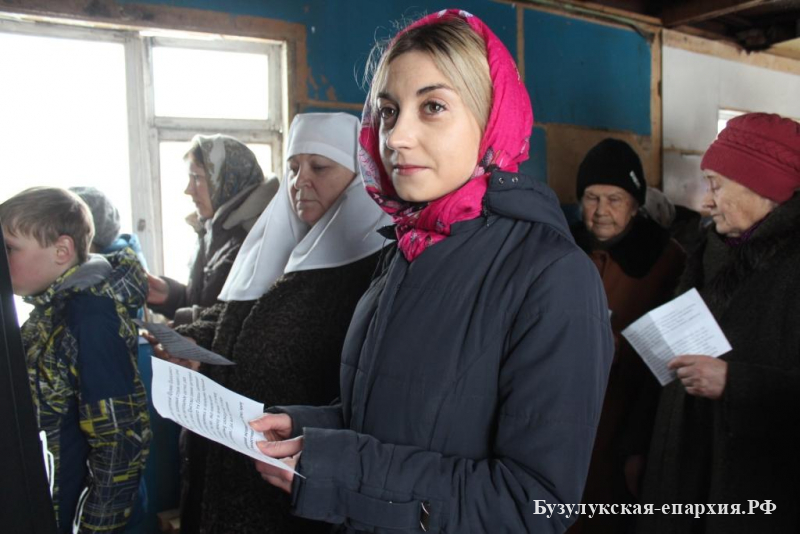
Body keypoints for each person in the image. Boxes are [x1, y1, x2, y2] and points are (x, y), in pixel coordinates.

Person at [251, 11, 613, 533]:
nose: (397, 137)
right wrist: (309, 428)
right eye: (389, 111)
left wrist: (342, 469)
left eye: (433, 107)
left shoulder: (553, 276)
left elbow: (533, 502)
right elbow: (401, 416)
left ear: (492, 119)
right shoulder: (406, 248)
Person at [166, 113, 391, 534]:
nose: (301, 181)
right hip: (231, 460)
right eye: (293, 168)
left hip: (288, 476)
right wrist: (195, 339)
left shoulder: (373, 266)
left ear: (361, 177)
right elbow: (236, 314)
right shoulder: (284, 244)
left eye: (319, 167)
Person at [637, 112, 800, 533]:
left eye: (716, 185)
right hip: (685, 470)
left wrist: (736, 382)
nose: (706, 202)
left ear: (763, 188)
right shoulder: (711, 251)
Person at [0, 187, 150, 533]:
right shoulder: (52, 308)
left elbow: (120, 444)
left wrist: (93, 528)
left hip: (84, 518)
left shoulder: (91, 320)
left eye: (9, 248)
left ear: (62, 251)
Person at [568, 139, 686, 534]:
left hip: (626, 415)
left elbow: (676, 353)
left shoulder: (667, 260)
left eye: (614, 199)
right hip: (561, 411)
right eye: (591, 198)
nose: (601, 210)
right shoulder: (561, 246)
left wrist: (620, 347)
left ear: (636, 205)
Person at [147, 135, 278, 325]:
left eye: (197, 178)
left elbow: (239, 322)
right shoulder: (211, 230)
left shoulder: (255, 239)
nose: (188, 189)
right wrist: (168, 294)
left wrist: (185, 322)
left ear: (226, 180)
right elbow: (202, 302)